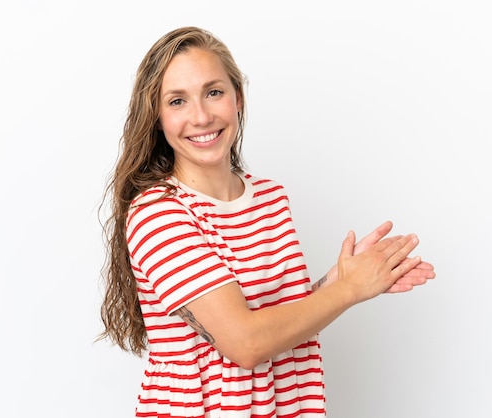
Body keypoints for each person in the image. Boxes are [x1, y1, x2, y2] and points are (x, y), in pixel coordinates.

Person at [98, 26, 436, 418]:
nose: (202, 116)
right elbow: (246, 344)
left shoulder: (270, 197)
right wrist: (349, 290)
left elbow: (281, 319)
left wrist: (341, 279)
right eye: (177, 101)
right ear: (156, 117)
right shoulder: (158, 213)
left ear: (237, 97)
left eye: (214, 92)